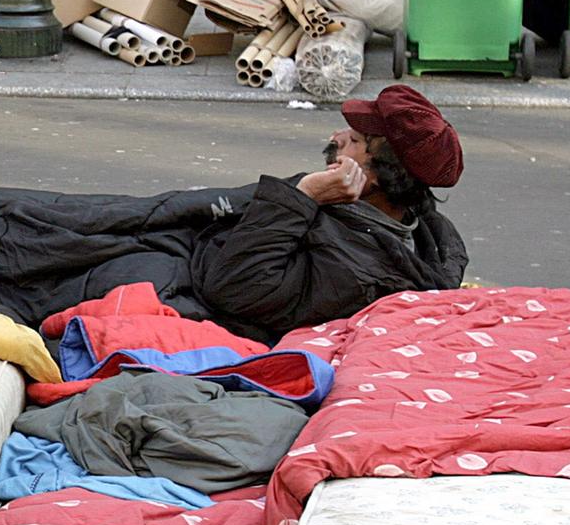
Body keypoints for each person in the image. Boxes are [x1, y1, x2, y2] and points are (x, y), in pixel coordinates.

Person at [189, 85, 468, 342]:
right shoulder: (401, 225)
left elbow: (233, 286)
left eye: (355, 141)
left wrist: (305, 195)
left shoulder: (351, 270)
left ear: (379, 177)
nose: (335, 137)